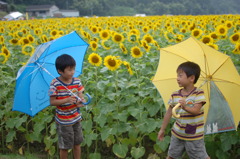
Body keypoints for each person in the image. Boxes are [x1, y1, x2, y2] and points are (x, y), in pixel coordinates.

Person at [157, 61, 210, 159]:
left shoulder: (198, 94)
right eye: (177, 75)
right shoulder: (175, 94)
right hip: (177, 134)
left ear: (192, 78)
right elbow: (169, 113)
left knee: (200, 157)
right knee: (172, 156)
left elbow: (196, 111)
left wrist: (185, 107)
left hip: (194, 136)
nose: (177, 78)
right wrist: (162, 129)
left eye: (180, 76)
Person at [49, 54, 85, 159]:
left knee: (77, 143)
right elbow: (52, 102)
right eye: (69, 70)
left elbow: (80, 98)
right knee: (65, 146)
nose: (72, 72)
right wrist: (66, 100)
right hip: (64, 121)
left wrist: (81, 102)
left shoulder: (77, 81)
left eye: (73, 69)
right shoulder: (55, 84)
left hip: (76, 118)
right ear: (60, 71)